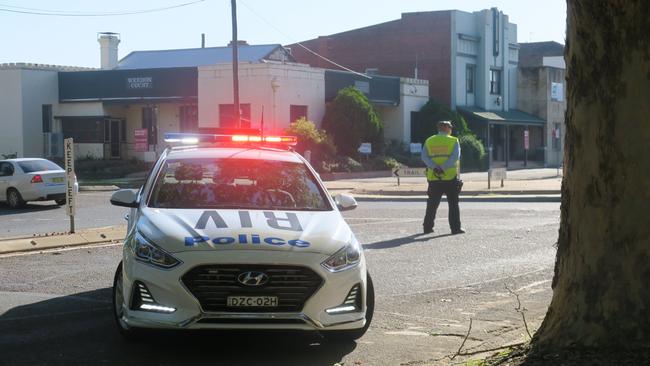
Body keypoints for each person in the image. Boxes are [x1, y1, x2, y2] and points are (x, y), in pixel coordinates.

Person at [421, 120, 465, 235]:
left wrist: (435, 167)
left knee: (432, 204)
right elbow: (455, 157)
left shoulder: (429, 140)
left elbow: (424, 157)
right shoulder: (453, 140)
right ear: (447, 128)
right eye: (450, 128)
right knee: (453, 204)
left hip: (434, 177)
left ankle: (427, 227)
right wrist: (444, 167)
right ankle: (455, 228)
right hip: (450, 177)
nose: (451, 130)